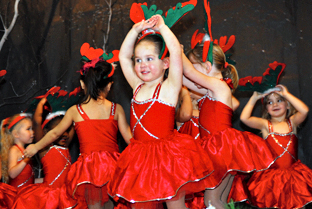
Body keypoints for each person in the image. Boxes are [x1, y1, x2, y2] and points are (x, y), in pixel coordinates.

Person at [107, 14, 216, 209]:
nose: (142, 65)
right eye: (138, 60)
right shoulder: (137, 86)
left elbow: (175, 52)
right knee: (141, 203)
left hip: (168, 157)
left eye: (149, 59)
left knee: (175, 204)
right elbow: (123, 56)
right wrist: (134, 31)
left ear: (165, 63)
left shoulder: (170, 87)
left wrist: (163, 28)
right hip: (139, 157)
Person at [24, 55, 132, 209]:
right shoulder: (116, 109)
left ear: (82, 84)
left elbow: (54, 134)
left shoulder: (75, 111)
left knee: (94, 205)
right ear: (109, 86)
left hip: (89, 169)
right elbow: (129, 139)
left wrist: (36, 147)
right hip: (112, 166)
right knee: (110, 204)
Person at [240, 85, 311, 209]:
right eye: (270, 102)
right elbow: (244, 118)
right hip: (272, 178)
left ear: (287, 105)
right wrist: (254, 98)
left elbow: (304, 110)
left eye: (279, 100)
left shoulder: (292, 123)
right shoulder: (266, 125)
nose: (275, 105)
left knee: (297, 204)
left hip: (294, 177)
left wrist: (286, 94)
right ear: (266, 109)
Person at [11, 93, 83, 209]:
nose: (64, 134)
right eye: (58, 131)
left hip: (66, 193)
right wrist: (41, 103)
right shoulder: (44, 148)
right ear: (47, 133)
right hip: (50, 194)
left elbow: (72, 127)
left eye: (66, 130)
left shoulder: (66, 146)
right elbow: (36, 122)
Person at [0, 114, 35, 208]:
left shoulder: (24, 151)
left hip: (27, 196)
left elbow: (28, 179)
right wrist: (26, 159)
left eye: (32, 128)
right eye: (28, 129)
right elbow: (12, 173)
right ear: (16, 134)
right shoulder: (14, 150)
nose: (33, 132)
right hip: (17, 197)